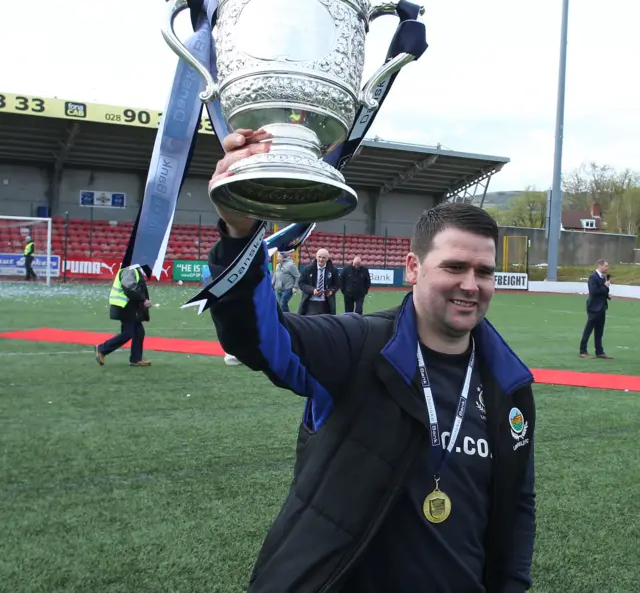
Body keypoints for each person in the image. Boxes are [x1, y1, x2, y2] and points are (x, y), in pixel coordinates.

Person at [205, 129, 536, 593]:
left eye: (484, 272)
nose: (471, 284)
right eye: (454, 267)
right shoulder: (357, 346)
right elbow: (258, 340)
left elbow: (517, 505)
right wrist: (240, 232)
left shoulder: (508, 384)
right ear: (413, 268)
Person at [95, 264, 152, 367]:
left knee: (139, 332)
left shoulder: (132, 268)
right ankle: (102, 349)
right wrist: (143, 300)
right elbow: (129, 287)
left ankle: (136, 359)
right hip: (125, 306)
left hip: (128, 306)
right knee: (128, 333)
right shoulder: (129, 269)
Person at [203, 262, 242, 366]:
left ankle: (231, 354)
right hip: (226, 301)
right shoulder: (227, 269)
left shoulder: (208, 269)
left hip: (215, 301)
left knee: (225, 328)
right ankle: (234, 355)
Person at [579, 258, 613, 359]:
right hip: (594, 307)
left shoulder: (602, 277)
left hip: (602, 306)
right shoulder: (593, 277)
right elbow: (594, 292)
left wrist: (607, 295)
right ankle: (583, 351)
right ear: (600, 265)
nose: (607, 268)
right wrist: (605, 287)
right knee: (588, 329)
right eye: (606, 266)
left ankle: (599, 351)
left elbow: (601, 292)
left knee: (599, 330)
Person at [298, 247, 339, 316]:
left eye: (323, 257)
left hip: (326, 303)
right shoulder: (308, 269)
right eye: (319, 257)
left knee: (325, 324)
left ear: (327, 258)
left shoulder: (333, 270)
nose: (321, 259)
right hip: (310, 302)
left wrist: (331, 291)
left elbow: (337, 285)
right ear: (316, 257)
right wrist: (312, 290)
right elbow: (301, 283)